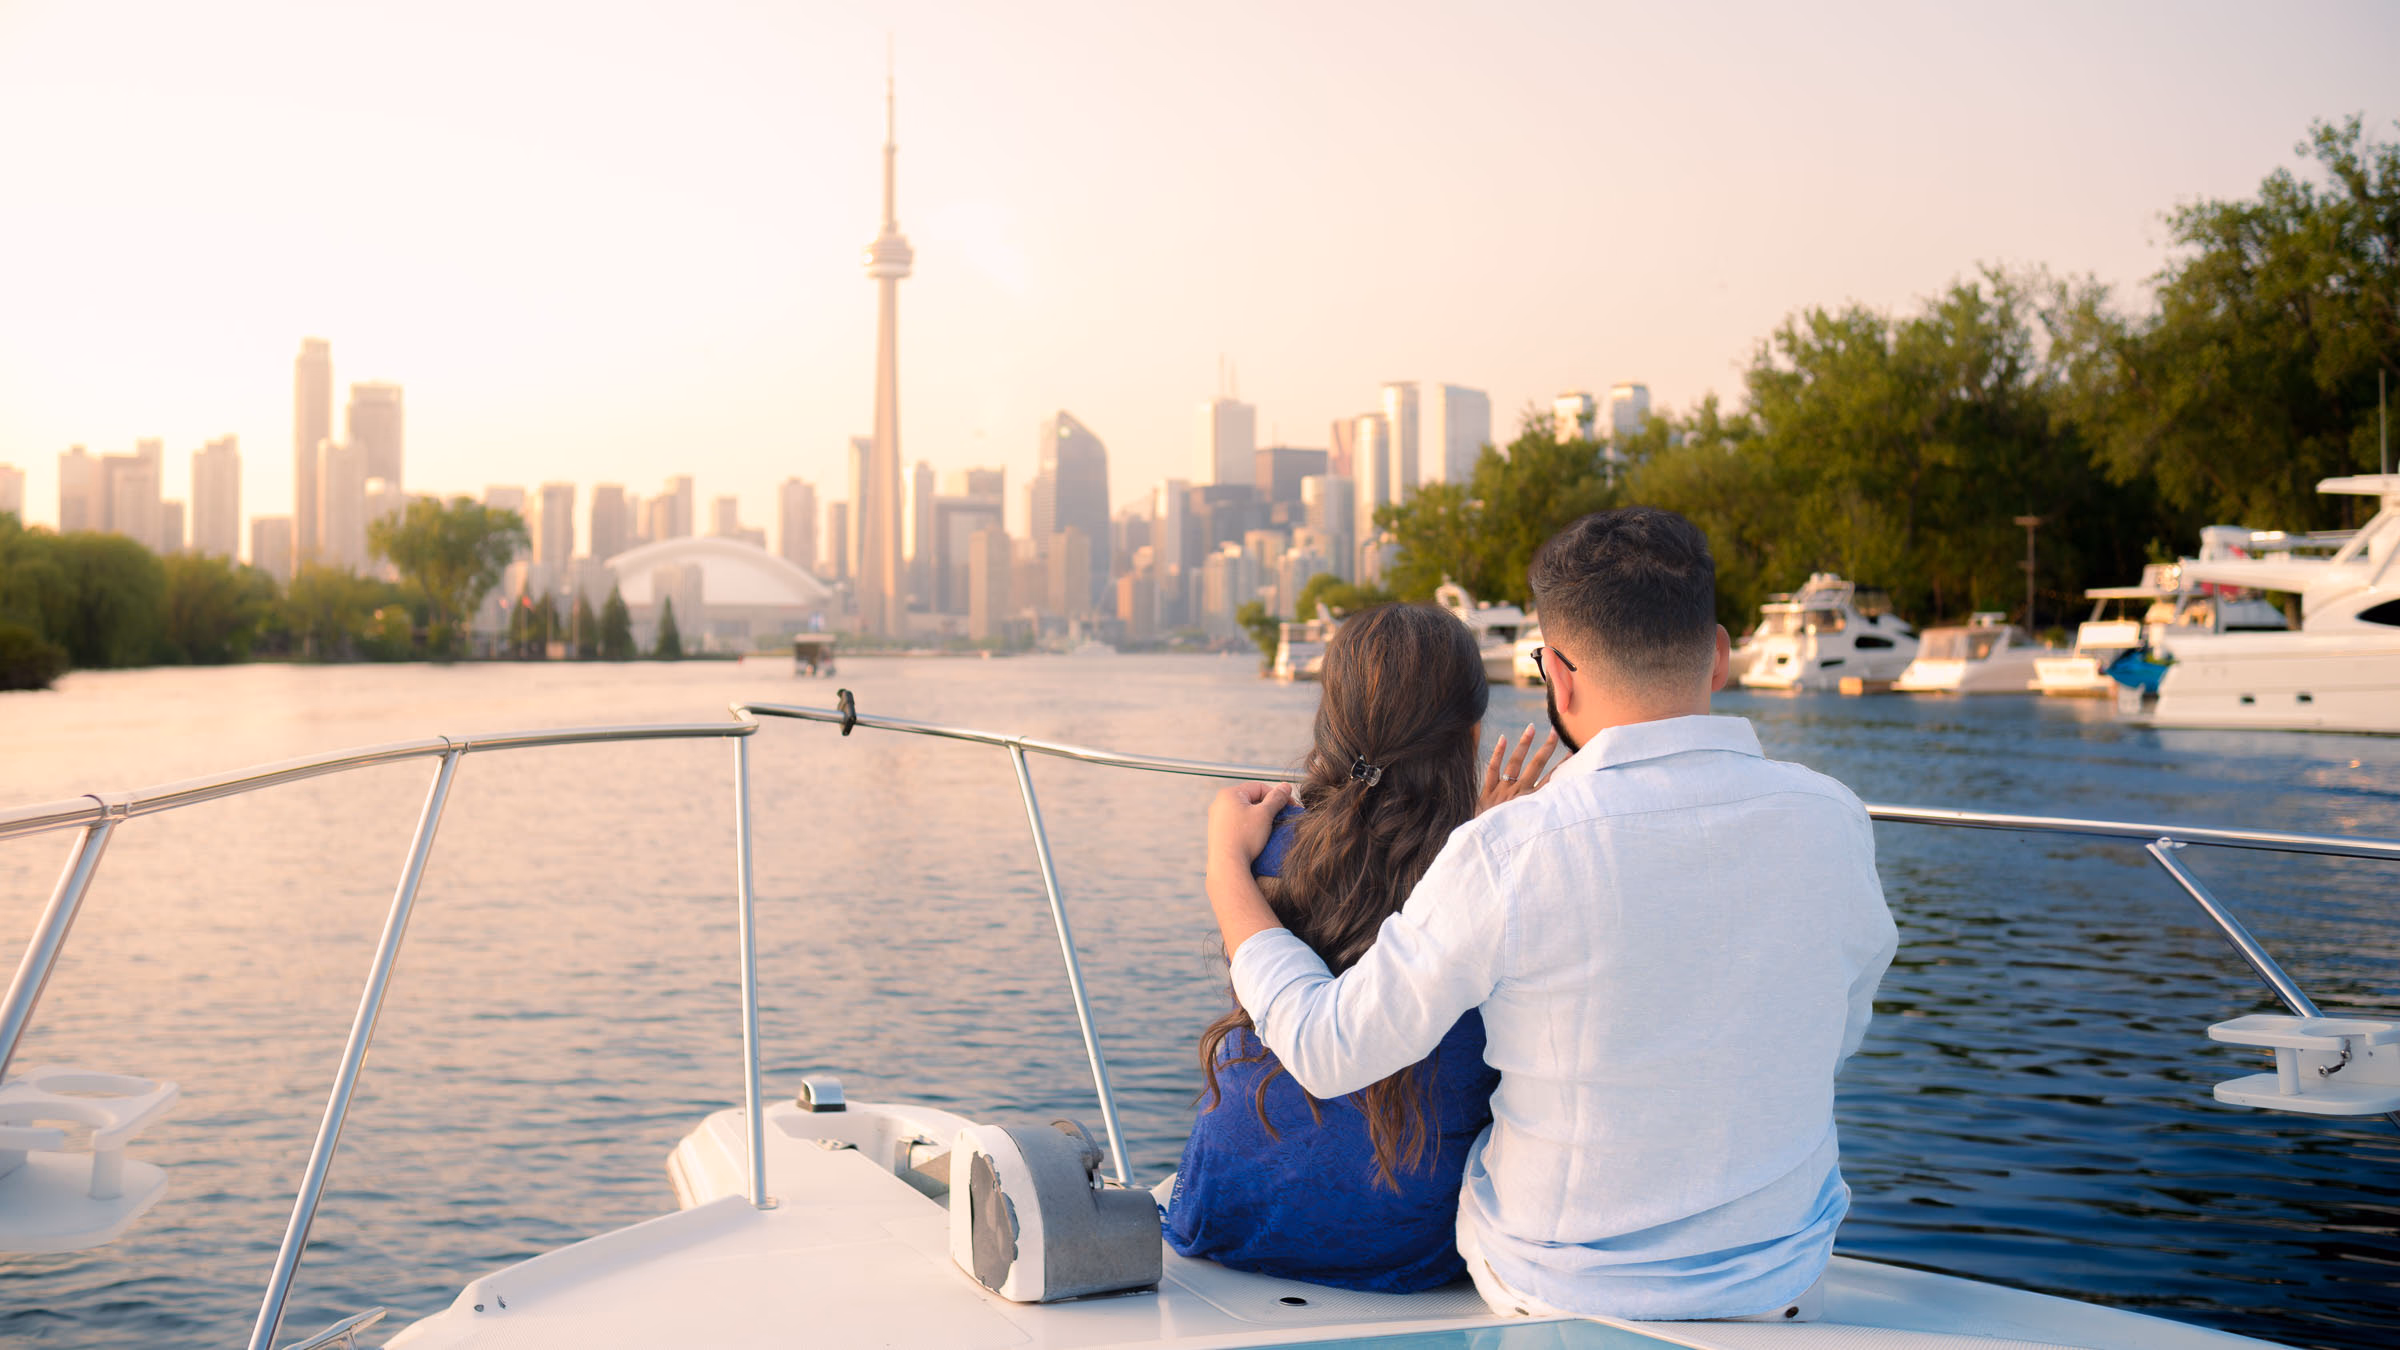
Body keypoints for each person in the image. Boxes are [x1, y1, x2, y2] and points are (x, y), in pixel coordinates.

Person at [1203, 507, 1898, 1321]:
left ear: (1558, 676)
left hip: (1557, 1285)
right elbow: (1838, 1029)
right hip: (1780, 1269)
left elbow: (1330, 1048)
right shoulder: (1835, 818)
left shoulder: (1511, 849)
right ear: (1718, 655)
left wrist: (1226, 870)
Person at [1162, 602, 1560, 1292]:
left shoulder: (1269, 849)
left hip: (1227, 1215)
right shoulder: (1494, 877)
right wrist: (1490, 842)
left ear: (1331, 725)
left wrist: (1223, 852)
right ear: (1470, 736)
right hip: (1403, 1247)